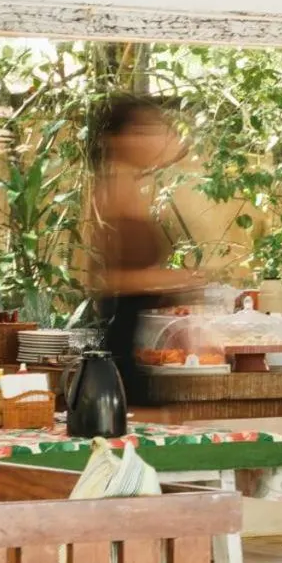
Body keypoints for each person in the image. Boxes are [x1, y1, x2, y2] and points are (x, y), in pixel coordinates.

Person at [86, 95, 203, 405]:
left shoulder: (128, 183)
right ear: (120, 139)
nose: (160, 137)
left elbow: (175, 148)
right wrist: (174, 279)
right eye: (146, 130)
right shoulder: (112, 188)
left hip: (142, 347)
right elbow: (106, 281)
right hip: (124, 347)